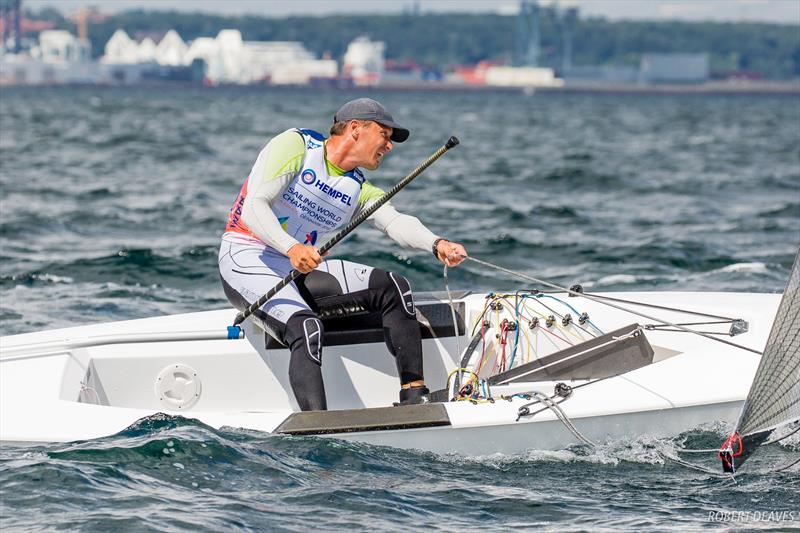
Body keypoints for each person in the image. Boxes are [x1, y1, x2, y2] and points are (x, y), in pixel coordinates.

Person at [218, 97, 467, 411]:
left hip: (297, 268)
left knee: (393, 288)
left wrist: (437, 244)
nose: (389, 146)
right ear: (355, 128)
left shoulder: (359, 187)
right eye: (384, 135)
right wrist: (292, 248)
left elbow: (393, 221)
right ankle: (317, 429)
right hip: (246, 256)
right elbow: (254, 207)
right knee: (307, 327)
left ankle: (414, 398)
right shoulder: (296, 146)